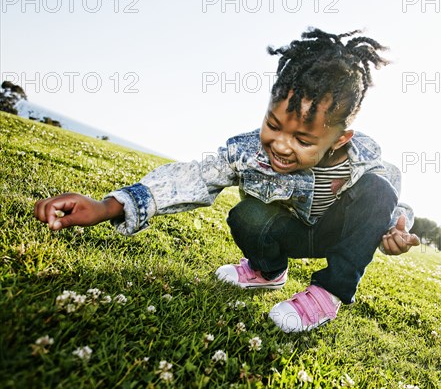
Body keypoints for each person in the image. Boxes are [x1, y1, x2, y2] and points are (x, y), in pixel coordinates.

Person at [34, 28, 420, 333]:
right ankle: (268, 271)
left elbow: (387, 205)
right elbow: (192, 178)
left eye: (303, 140)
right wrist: (108, 206)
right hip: (289, 232)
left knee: (379, 189)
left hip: (335, 235)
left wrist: (395, 227)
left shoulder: (365, 158)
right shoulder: (247, 151)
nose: (281, 146)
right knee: (245, 214)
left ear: (339, 138)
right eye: (273, 125)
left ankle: (327, 294)